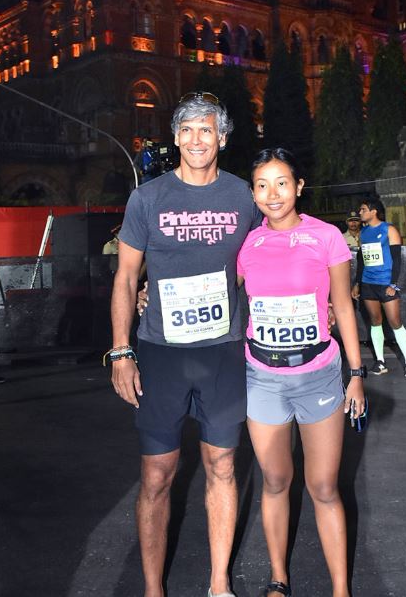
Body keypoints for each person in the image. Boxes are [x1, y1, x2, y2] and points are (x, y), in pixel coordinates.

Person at [137, 148, 366, 597]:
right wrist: (153, 293)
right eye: (261, 185)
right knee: (275, 481)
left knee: (323, 487)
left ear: (299, 186)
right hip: (262, 378)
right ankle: (279, 579)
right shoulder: (248, 244)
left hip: (319, 374)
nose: (272, 194)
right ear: (253, 193)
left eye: (282, 183)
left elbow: (343, 305)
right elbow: (213, 284)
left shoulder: (327, 237)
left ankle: (341, 590)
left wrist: (356, 374)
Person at [108, 91, 262, 597]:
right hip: (162, 354)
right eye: (188, 130)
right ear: (176, 137)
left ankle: (219, 585)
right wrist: (121, 351)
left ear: (223, 138)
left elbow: (267, 255)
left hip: (223, 352)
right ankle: (154, 590)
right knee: (157, 475)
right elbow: (126, 277)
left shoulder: (244, 196)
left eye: (207, 130)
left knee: (223, 466)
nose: (197, 139)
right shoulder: (148, 198)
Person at [351, 197, 406, 378]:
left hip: (386, 283)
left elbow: (397, 259)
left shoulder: (389, 229)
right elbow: (362, 260)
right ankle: (380, 362)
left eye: (363, 209)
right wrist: (357, 283)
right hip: (368, 283)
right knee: (375, 321)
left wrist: (393, 284)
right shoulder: (363, 233)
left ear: (374, 211)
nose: (360, 212)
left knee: (395, 322)